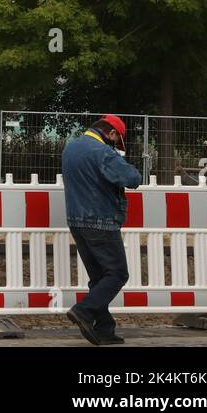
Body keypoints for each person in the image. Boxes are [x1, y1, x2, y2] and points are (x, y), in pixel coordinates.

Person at [62, 114, 142, 346]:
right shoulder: (102, 152)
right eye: (117, 141)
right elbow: (132, 178)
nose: (116, 146)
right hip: (101, 220)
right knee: (117, 274)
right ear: (112, 133)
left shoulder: (71, 148)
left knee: (99, 277)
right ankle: (83, 311)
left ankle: (105, 329)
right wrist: (120, 159)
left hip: (76, 220)